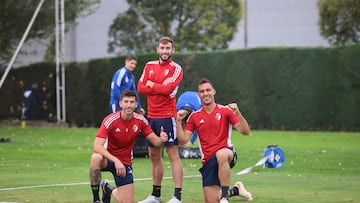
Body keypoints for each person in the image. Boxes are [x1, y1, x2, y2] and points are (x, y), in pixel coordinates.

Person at [176, 78, 253, 203]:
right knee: (211, 200)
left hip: (227, 153)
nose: (205, 93)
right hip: (208, 162)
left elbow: (245, 131)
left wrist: (238, 113)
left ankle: (224, 197)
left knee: (221, 154)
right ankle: (235, 190)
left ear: (214, 92)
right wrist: (178, 121)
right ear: (199, 95)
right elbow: (183, 140)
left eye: (208, 90)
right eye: (202, 91)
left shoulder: (225, 111)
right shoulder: (194, 117)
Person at [89, 90, 168, 203]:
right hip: (108, 159)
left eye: (132, 102)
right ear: (120, 103)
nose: (129, 105)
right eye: (126, 102)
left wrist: (162, 139)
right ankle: (96, 199)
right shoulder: (110, 120)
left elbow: (155, 142)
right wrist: (115, 160)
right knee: (95, 158)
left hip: (125, 162)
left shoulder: (140, 121)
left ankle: (107, 188)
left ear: (136, 104)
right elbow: (97, 146)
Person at [137, 36, 184, 203]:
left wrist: (152, 85)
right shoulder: (149, 66)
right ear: (158, 49)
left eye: (168, 48)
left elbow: (168, 90)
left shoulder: (176, 68)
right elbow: (140, 87)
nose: (165, 51)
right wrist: (157, 86)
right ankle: (155, 195)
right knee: (154, 155)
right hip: (152, 117)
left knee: (173, 154)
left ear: (173, 50)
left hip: (167, 116)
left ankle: (177, 196)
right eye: (162, 48)